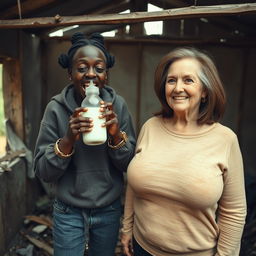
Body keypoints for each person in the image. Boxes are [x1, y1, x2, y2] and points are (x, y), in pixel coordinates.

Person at [121, 47, 247, 256]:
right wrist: (127, 229)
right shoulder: (150, 127)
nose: (177, 88)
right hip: (142, 248)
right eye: (171, 80)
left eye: (188, 80)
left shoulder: (225, 140)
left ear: (205, 91)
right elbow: (134, 185)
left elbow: (233, 212)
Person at [33, 32, 136, 256]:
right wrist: (68, 139)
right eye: (82, 68)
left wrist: (116, 135)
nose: (91, 74)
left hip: (109, 209)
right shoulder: (56, 109)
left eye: (98, 68)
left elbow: (130, 165)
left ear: (106, 75)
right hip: (67, 210)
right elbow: (43, 171)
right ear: (70, 74)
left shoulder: (117, 107)